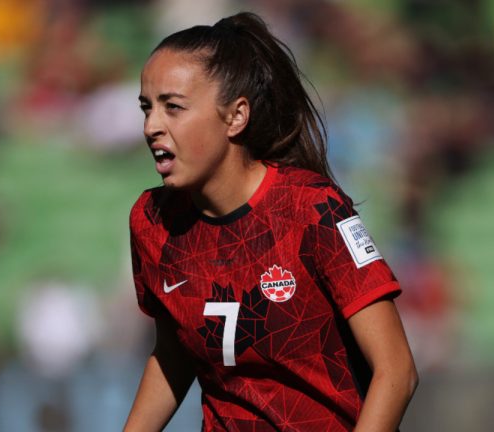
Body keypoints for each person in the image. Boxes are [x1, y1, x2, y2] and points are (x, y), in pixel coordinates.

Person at [125, 12, 418, 431]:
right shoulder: (151, 221)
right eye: (146, 108)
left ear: (236, 116)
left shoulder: (313, 209)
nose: (152, 125)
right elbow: (173, 354)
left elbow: (397, 372)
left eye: (173, 107)